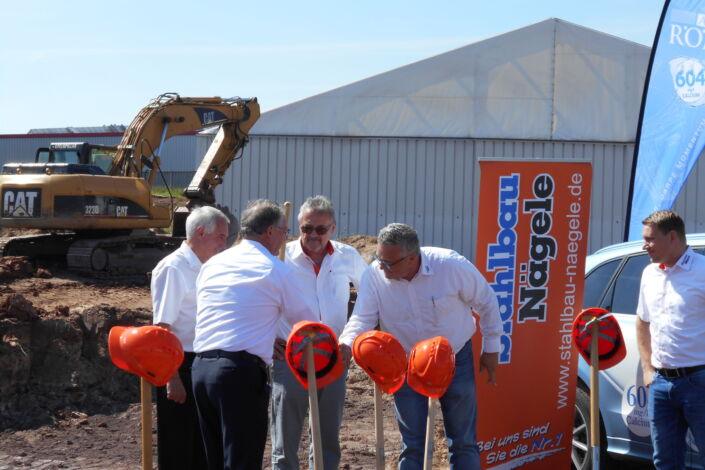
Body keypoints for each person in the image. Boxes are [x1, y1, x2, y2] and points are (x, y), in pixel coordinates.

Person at [339, 223, 502, 470]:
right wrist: (346, 345)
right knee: (413, 443)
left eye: (389, 263)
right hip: (405, 364)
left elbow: (486, 301)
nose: (381, 267)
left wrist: (491, 348)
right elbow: (363, 317)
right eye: (379, 259)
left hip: (455, 359)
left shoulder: (450, 266)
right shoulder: (375, 275)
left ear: (412, 257)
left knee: (463, 441)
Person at [191, 199, 314, 470]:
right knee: (241, 461)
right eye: (284, 232)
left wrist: (263, 336)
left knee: (215, 460)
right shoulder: (275, 268)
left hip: (201, 369)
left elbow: (225, 312)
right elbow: (307, 322)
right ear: (269, 231)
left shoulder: (213, 264)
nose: (285, 239)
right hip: (239, 374)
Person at [271, 195, 367, 470]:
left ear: (333, 228)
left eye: (320, 229)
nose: (312, 235)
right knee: (286, 432)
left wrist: (350, 338)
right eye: (306, 228)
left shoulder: (347, 256)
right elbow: (259, 301)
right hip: (290, 354)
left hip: (333, 354)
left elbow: (370, 294)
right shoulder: (281, 256)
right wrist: (267, 339)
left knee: (326, 433)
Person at [151, 205, 229, 470]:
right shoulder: (174, 268)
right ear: (200, 232)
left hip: (202, 364)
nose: (225, 243)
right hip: (179, 364)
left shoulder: (207, 267)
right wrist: (172, 380)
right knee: (178, 447)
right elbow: (162, 329)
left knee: (201, 448)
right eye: (221, 236)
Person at [636, 210, 705, 469]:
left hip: (699, 380)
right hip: (661, 384)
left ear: (673, 237)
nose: (645, 245)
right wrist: (647, 368)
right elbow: (642, 320)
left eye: (651, 239)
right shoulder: (649, 274)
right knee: (665, 460)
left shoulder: (702, 271)